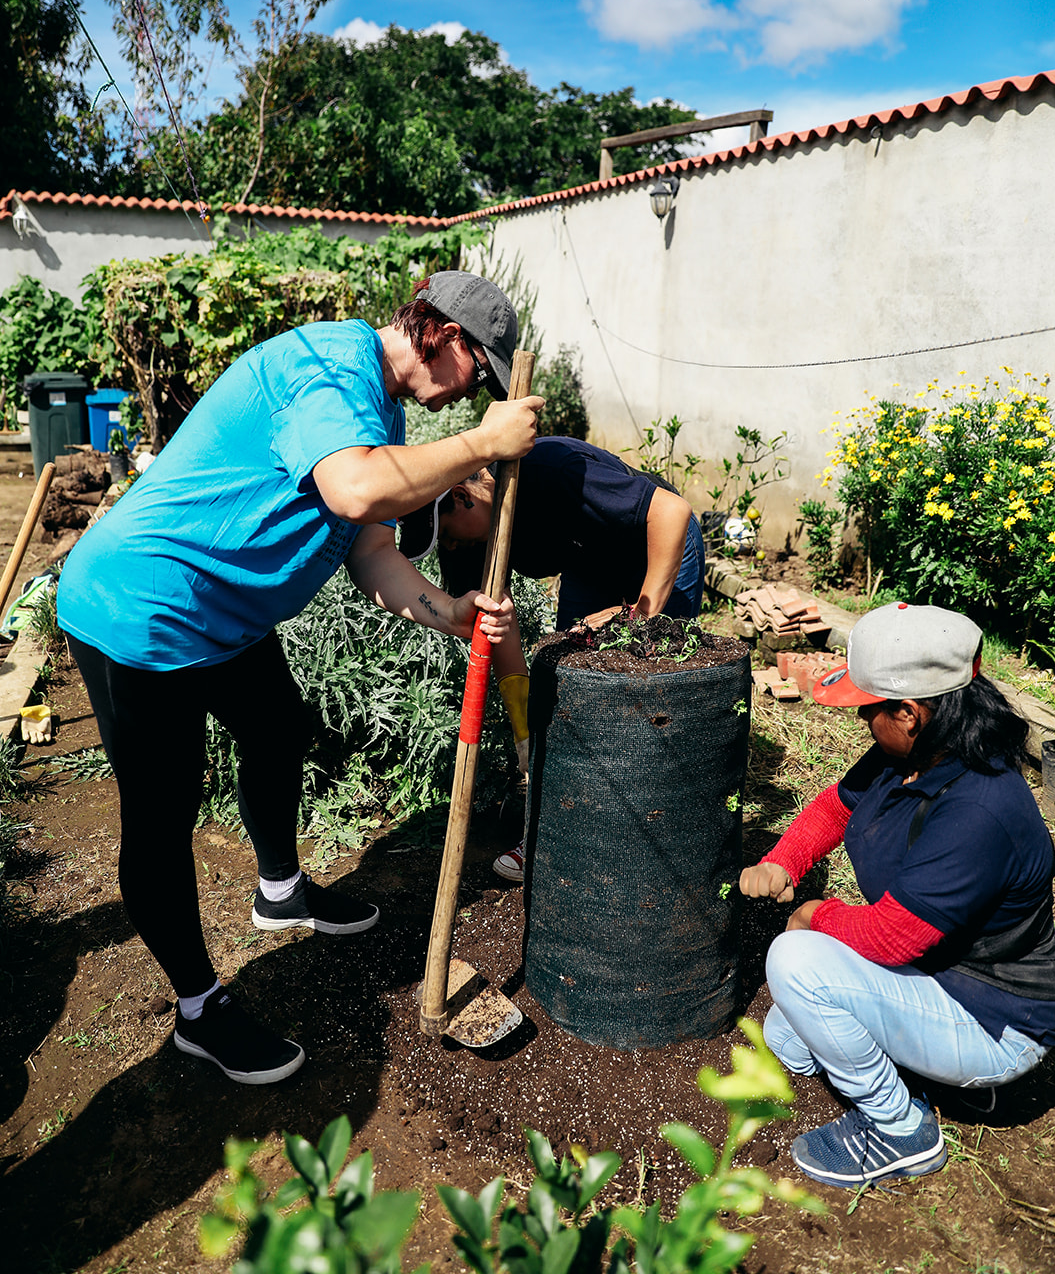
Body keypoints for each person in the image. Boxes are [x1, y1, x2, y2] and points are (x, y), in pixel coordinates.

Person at [56, 271, 543, 1085]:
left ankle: (280, 890)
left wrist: (450, 612)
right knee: (162, 810)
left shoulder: (378, 412)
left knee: (277, 726)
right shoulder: (328, 366)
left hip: (225, 621)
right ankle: (199, 1011)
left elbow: (372, 551)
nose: (470, 398)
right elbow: (352, 486)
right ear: (445, 336)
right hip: (143, 609)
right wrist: (482, 444)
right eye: (476, 373)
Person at [741, 601, 1055, 1189]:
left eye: (869, 709)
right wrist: (781, 859)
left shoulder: (979, 810)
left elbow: (892, 937)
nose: (863, 720)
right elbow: (836, 807)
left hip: (995, 1018)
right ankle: (923, 1069)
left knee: (795, 964)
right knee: (790, 1038)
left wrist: (815, 914)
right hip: (941, 969)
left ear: (911, 712)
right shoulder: (922, 752)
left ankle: (900, 1131)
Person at [399, 436, 705, 880]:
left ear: (463, 497)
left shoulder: (548, 471)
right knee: (569, 690)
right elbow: (493, 623)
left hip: (657, 545)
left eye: (444, 535)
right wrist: (526, 729)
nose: (448, 549)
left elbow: (673, 513)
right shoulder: (471, 541)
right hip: (591, 562)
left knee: (647, 692)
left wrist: (637, 618)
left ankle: (648, 846)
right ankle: (562, 836)